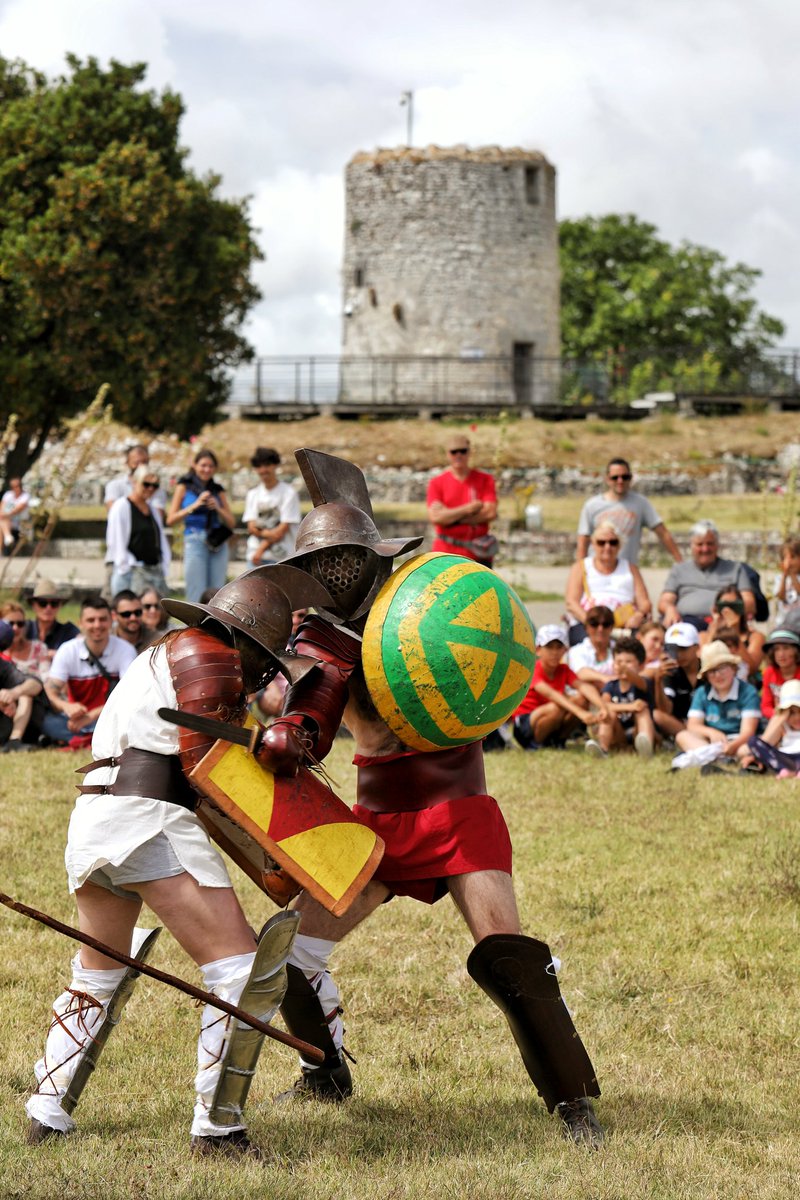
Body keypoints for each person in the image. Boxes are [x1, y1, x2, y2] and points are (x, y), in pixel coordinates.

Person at [265, 449, 604, 1148]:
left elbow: (490, 653)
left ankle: (573, 1103)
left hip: (455, 810)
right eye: (323, 566)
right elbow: (303, 732)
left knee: (509, 956)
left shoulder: (426, 602)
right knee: (288, 954)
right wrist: (284, 712)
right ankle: (325, 1072)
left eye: (344, 561)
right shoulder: (321, 642)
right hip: (378, 822)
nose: (336, 575)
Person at [24, 571, 307, 1156]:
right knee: (239, 972)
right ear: (250, 642)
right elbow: (210, 762)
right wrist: (267, 748)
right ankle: (219, 1129)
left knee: (96, 973)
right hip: (147, 818)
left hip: (96, 820)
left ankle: (46, 1111)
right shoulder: (208, 655)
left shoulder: (161, 653)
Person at [42, 596, 137, 747]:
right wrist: (66, 706)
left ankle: (81, 740)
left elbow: (130, 695)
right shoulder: (68, 650)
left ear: (112, 621)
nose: (97, 625)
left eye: (102, 619)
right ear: (81, 623)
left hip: (111, 717)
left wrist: (91, 716)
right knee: (46, 721)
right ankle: (94, 739)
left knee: (132, 718)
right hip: (76, 720)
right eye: (91, 620)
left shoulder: (125, 650)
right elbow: (50, 691)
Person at [512, 624, 607, 751]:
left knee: (581, 700)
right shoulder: (532, 669)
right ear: (538, 650)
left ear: (565, 650)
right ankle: (536, 744)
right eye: (549, 647)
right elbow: (551, 694)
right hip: (524, 724)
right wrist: (581, 713)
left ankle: (559, 741)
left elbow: (583, 686)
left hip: (551, 717)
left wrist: (603, 707)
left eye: (559, 647)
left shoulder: (564, 669)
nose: (555, 652)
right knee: (557, 707)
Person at [576, 458, 682, 565]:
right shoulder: (592, 506)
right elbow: (583, 542)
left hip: (627, 571)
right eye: (615, 477)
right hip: (597, 571)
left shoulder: (640, 503)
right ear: (607, 479)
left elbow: (663, 533)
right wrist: (580, 570)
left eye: (625, 477)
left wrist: (680, 562)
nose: (620, 481)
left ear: (631, 478)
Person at [658, 520, 755, 631]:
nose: (705, 549)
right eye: (700, 544)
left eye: (710, 544)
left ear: (717, 545)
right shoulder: (679, 569)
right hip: (685, 623)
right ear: (691, 546)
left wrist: (726, 610)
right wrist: (669, 608)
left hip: (723, 624)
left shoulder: (735, 568)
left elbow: (749, 603)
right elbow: (664, 601)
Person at [166, 449, 236, 604]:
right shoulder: (184, 486)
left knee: (218, 592)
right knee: (196, 590)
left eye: (211, 466)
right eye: (203, 465)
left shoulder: (217, 490)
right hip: (194, 539)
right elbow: (170, 519)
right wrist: (195, 505)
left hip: (216, 542)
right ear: (195, 465)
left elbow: (231, 522)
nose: (207, 469)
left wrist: (217, 507)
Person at [564, 522, 651, 645]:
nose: (607, 547)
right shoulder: (581, 567)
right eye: (601, 542)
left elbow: (645, 602)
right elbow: (571, 602)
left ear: (619, 545)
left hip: (624, 625)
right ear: (593, 544)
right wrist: (592, 623)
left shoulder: (631, 569)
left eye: (613, 542)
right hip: (589, 623)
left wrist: (638, 615)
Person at [675, 640, 761, 764]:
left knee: (746, 749)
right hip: (711, 742)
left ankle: (707, 757)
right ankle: (717, 757)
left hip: (739, 741)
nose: (718, 675)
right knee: (682, 736)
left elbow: (748, 732)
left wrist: (732, 746)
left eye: (722, 668)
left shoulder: (748, 692)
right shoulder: (702, 692)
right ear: (706, 676)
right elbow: (692, 725)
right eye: (712, 671)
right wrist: (711, 732)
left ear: (733, 668)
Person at [426, 434, 498, 566]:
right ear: (448, 454)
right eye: (454, 452)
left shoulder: (485, 479)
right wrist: (469, 509)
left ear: (469, 453)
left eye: (463, 451)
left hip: (479, 553)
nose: (458, 455)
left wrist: (450, 517)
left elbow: (490, 512)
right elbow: (436, 518)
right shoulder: (437, 483)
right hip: (446, 553)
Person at [106, 466, 171, 598]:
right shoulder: (122, 506)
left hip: (154, 571)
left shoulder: (152, 510)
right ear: (135, 482)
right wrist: (125, 566)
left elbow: (160, 539)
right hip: (131, 572)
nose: (150, 489)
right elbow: (116, 540)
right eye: (146, 484)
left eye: (155, 485)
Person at [585, 637, 655, 759]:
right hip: (619, 734)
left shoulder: (643, 683)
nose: (623, 666)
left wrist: (627, 672)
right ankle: (603, 750)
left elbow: (638, 680)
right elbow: (604, 704)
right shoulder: (610, 686)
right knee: (608, 713)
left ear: (641, 665)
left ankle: (646, 749)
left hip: (638, 731)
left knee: (642, 711)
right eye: (619, 662)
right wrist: (630, 707)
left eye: (628, 662)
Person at [242, 447, 301, 568]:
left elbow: (282, 530)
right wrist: (268, 536)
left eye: (267, 465)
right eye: (258, 466)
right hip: (255, 558)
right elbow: (251, 527)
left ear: (275, 465)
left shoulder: (288, 493)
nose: (263, 470)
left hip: (282, 558)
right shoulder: (253, 494)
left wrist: (260, 550)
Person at [700, 586, 765, 679]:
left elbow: (751, 668)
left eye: (734, 606)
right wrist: (714, 628)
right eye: (723, 606)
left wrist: (734, 632)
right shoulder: (704, 635)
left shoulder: (755, 637)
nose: (727, 611)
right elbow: (703, 663)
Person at [654, 622, 701, 740]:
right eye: (673, 649)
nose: (678, 654)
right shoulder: (669, 671)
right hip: (680, 725)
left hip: (706, 723)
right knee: (657, 715)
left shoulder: (709, 669)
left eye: (683, 648)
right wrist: (658, 681)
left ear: (696, 647)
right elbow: (666, 710)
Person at [742, 679, 800, 776]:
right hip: (785, 758)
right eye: (791, 713)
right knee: (753, 741)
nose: (797, 717)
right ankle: (785, 769)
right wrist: (781, 718)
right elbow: (766, 742)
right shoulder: (783, 725)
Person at [0, 647, 43, 752]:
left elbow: (35, 684)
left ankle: (14, 742)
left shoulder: (3, 665)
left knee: (25, 694)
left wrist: (12, 694)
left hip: (6, 722)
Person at [567, 605, 617, 685]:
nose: (600, 629)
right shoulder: (577, 650)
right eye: (594, 624)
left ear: (611, 628)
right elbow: (581, 672)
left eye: (606, 624)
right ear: (586, 627)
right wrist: (606, 679)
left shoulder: (620, 648)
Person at [1, 600, 50, 680]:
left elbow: (46, 678)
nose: (15, 628)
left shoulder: (39, 648)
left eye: (20, 624)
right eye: (10, 623)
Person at [25, 579, 78, 651]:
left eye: (54, 603)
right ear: (33, 606)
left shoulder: (68, 632)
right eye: (42, 603)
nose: (48, 608)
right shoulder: (23, 628)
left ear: (60, 606)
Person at [760, 629, 800, 721]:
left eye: (786, 648)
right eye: (777, 649)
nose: (781, 654)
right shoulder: (769, 672)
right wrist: (779, 715)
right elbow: (765, 706)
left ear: (796, 651)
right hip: (778, 719)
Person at [111, 590, 158, 654]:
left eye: (137, 613)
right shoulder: (106, 640)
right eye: (126, 614)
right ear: (114, 616)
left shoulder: (156, 641)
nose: (133, 618)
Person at [773, 537, 800, 625]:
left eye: (793, 557)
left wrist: (792, 575)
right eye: (785, 558)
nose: (789, 561)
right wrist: (784, 576)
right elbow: (781, 597)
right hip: (783, 623)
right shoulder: (779, 578)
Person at [1, 476, 31, 552]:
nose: (15, 488)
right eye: (13, 486)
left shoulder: (25, 496)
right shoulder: (8, 494)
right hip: (6, 520)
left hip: (20, 521)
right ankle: (7, 537)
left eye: (17, 486)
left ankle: (7, 539)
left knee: (2, 522)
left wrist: (4, 515)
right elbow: (2, 507)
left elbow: (17, 510)